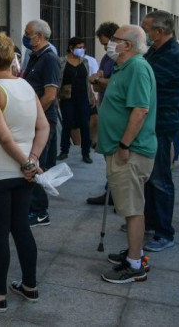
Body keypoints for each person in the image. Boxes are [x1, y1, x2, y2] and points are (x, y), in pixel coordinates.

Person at [0, 33, 49, 312]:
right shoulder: (26, 86)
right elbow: (43, 127)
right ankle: (30, 287)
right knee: (21, 228)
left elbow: (4, 138)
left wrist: (26, 164)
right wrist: (32, 160)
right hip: (23, 173)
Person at [98, 25, 156, 283]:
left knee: (132, 209)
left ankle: (135, 265)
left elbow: (140, 110)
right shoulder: (125, 67)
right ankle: (134, 253)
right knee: (130, 206)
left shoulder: (137, 68)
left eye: (115, 40)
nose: (111, 43)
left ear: (127, 46)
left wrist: (124, 145)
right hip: (121, 150)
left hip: (129, 153)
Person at [140, 11, 179, 252]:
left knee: (160, 179)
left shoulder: (175, 55)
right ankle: (149, 223)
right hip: (151, 123)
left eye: (146, 28)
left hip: (161, 124)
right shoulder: (155, 51)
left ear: (159, 31)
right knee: (149, 177)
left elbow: (147, 81)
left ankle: (164, 232)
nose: (144, 32)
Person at [22, 20, 60, 227]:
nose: (26, 37)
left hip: (42, 122)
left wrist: (34, 118)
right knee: (30, 165)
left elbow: (50, 95)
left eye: (28, 34)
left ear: (39, 36)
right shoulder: (35, 57)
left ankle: (39, 212)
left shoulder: (49, 59)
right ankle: (31, 207)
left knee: (35, 165)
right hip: (35, 120)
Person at [86, 21, 120, 205]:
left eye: (108, 44)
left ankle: (116, 193)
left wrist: (100, 80)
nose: (106, 48)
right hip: (105, 106)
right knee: (108, 154)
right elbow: (99, 77)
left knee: (115, 155)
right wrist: (98, 79)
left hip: (117, 110)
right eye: (104, 45)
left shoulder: (122, 58)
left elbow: (117, 81)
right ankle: (110, 191)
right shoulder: (108, 57)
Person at [57, 37, 95, 163]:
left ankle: (86, 152)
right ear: (71, 48)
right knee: (68, 123)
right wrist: (56, 97)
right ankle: (64, 151)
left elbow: (87, 80)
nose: (81, 50)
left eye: (83, 47)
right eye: (79, 47)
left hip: (83, 97)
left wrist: (91, 95)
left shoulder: (84, 62)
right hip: (67, 97)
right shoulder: (62, 61)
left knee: (84, 124)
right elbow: (58, 80)